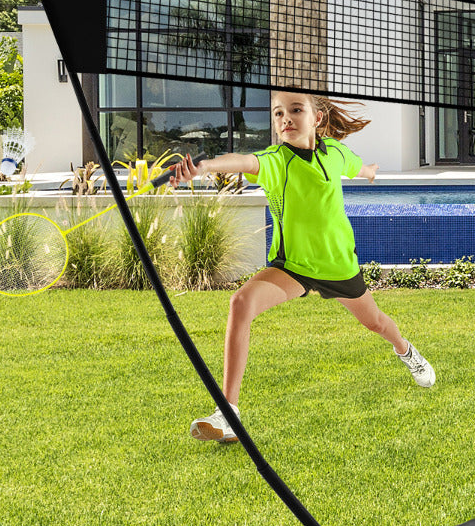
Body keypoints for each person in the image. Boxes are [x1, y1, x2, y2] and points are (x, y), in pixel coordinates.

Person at [171, 90, 435, 444]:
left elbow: (358, 167)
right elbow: (244, 161)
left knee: (376, 322)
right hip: (293, 266)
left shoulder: (337, 154)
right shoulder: (277, 160)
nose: (286, 119)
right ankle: (228, 412)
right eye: (278, 113)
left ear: (317, 119)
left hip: (338, 265)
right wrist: (203, 167)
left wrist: (370, 171)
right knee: (241, 303)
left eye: (296, 110)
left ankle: (406, 350)